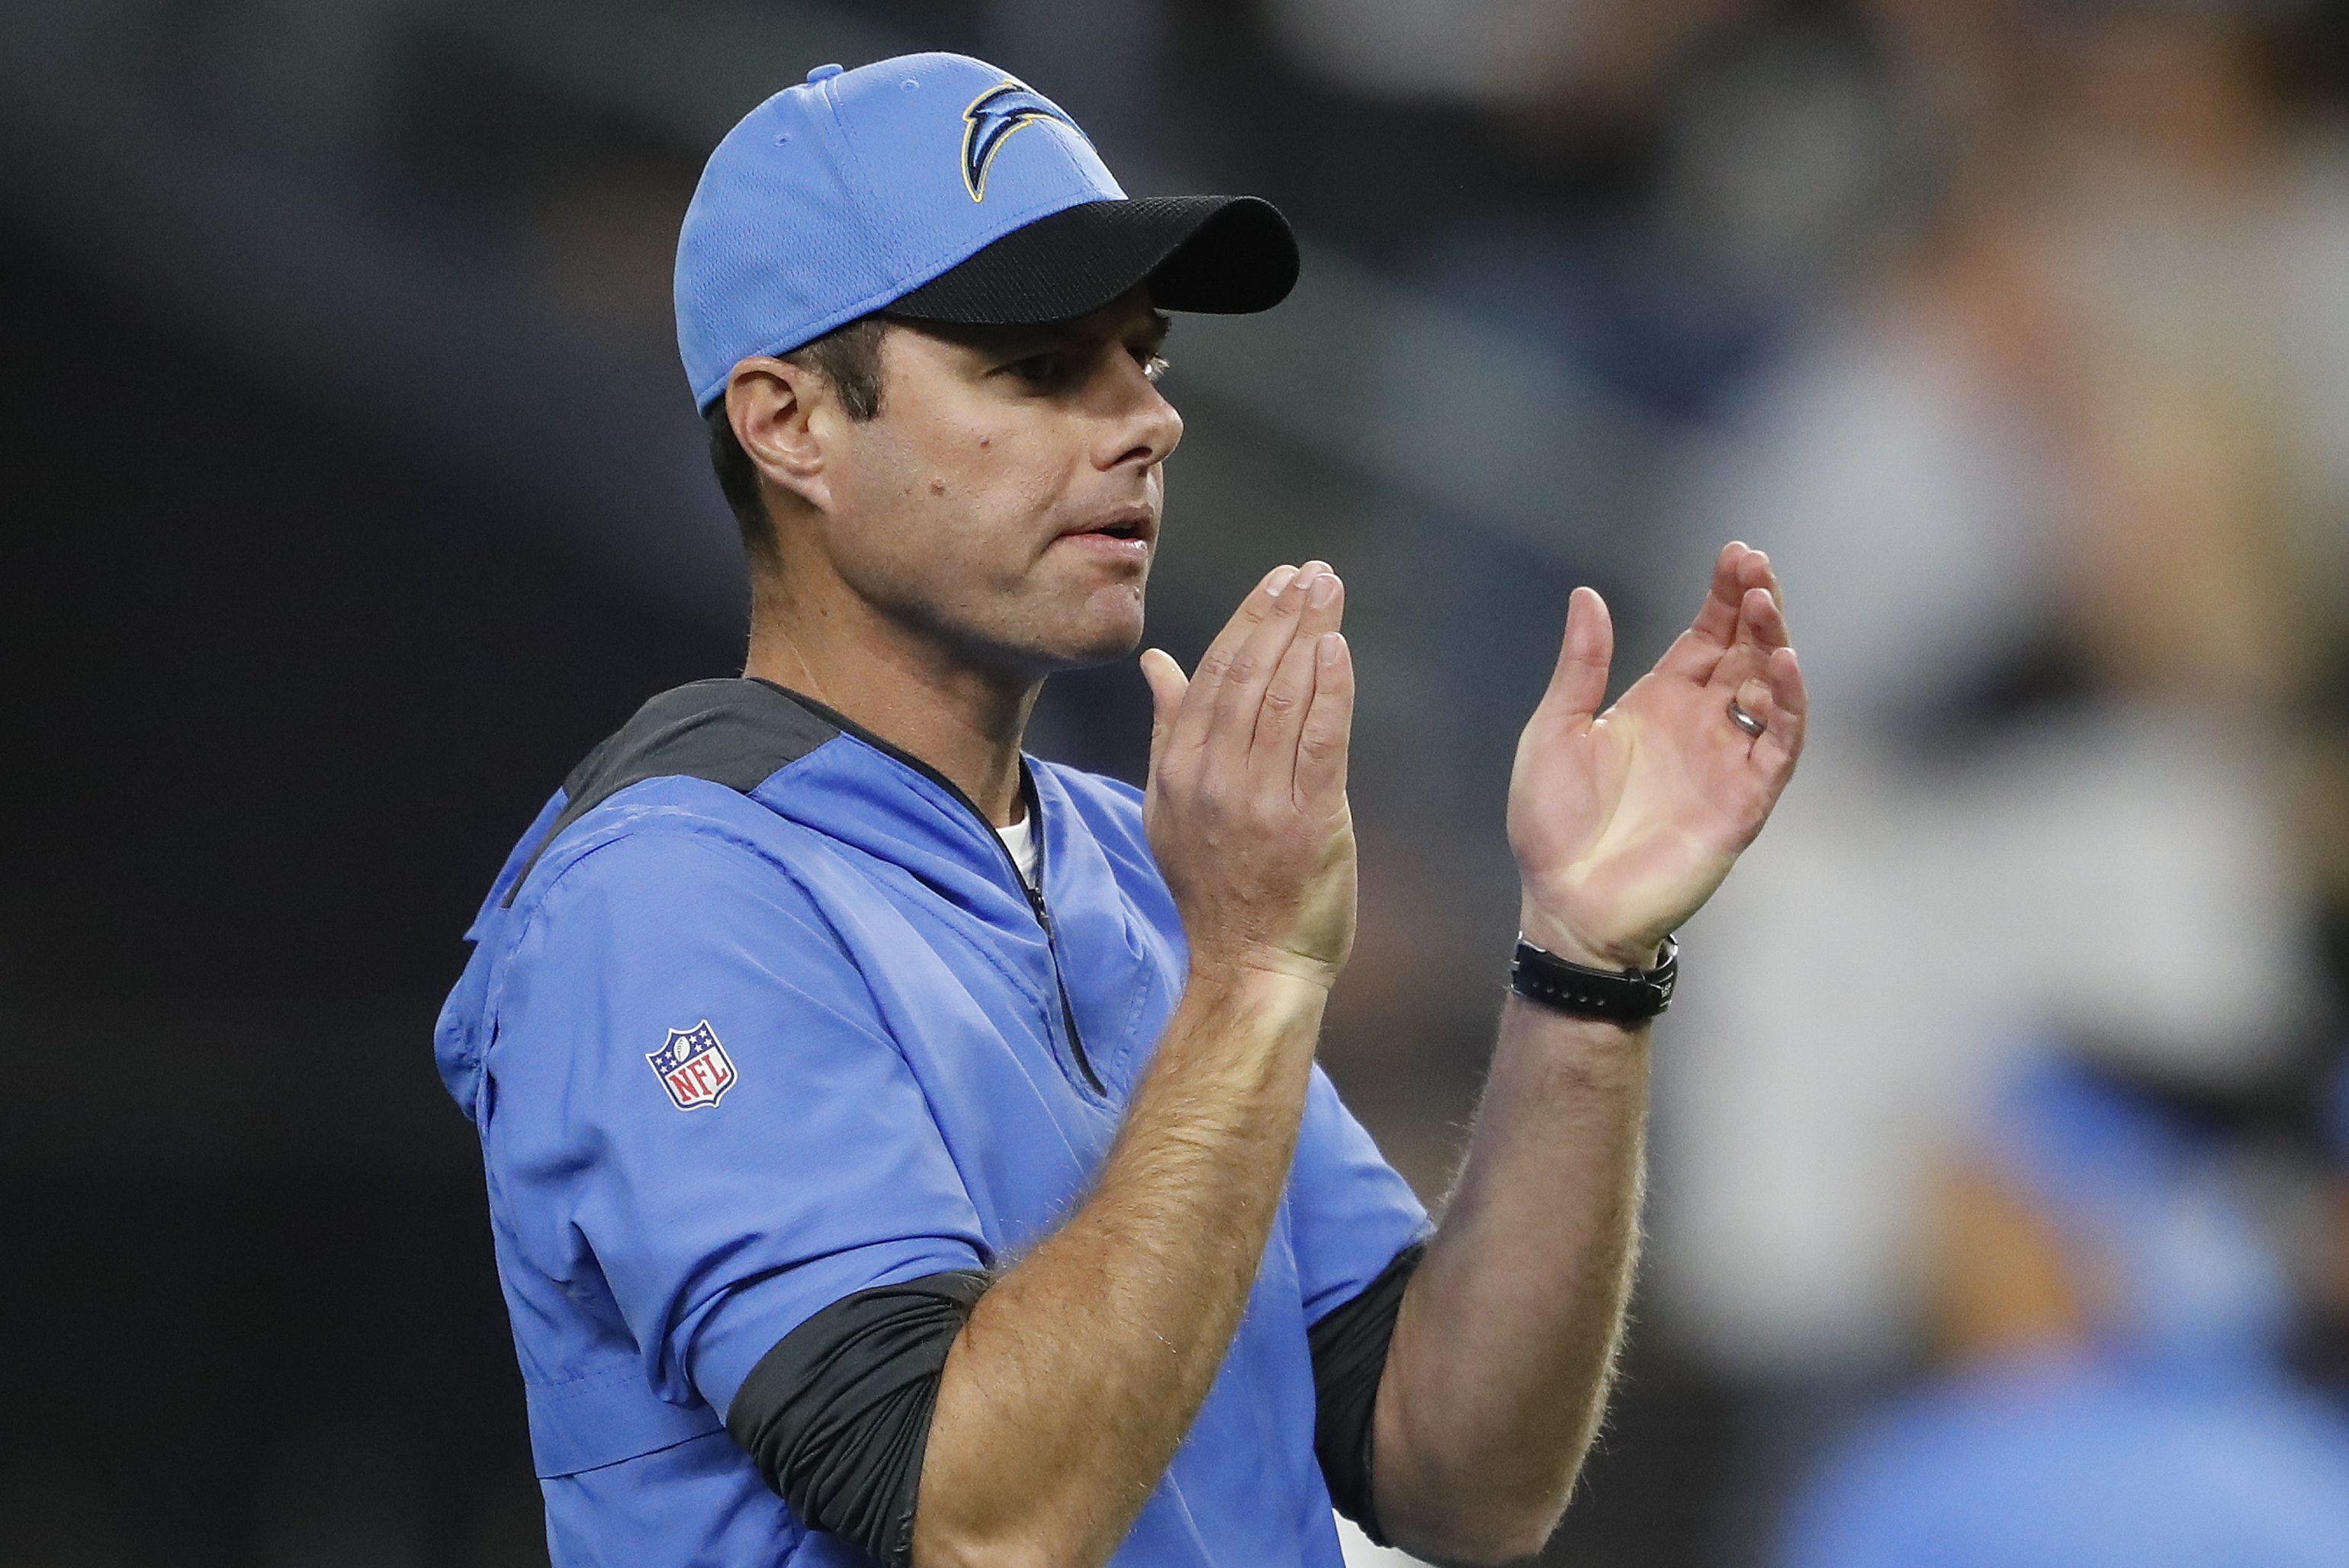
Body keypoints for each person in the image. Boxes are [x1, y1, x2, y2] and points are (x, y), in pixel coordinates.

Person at [433, 51, 1805, 1568]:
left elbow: (1454, 1468)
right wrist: (1252, 978)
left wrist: (1581, 968)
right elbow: (979, 1519)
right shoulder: (669, 895)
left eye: (1142, 356)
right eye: (1034, 366)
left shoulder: (1135, 862)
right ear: (790, 422)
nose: (1141, 420)